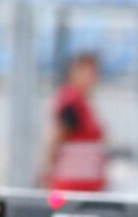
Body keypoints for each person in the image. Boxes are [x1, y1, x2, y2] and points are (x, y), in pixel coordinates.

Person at [40, 51, 108, 194]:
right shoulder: (71, 101)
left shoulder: (84, 101)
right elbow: (57, 135)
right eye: (88, 72)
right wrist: (47, 168)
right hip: (70, 185)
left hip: (86, 184)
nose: (92, 78)